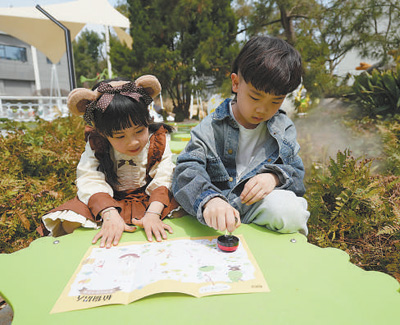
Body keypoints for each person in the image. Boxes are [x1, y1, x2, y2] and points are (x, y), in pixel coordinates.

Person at [172, 36, 310, 236]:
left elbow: (296, 173)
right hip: (216, 210)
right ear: (236, 83)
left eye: (276, 101)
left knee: (292, 212)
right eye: (255, 97)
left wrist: (274, 178)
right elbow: (186, 169)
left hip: (254, 206)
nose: (263, 109)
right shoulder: (211, 126)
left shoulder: (283, 127)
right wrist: (210, 200)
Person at [41, 75, 179, 248]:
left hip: (148, 199)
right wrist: (108, 213)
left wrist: (153, 213)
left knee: (180, 214)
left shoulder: (158, 140)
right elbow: (89, 178)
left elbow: (165, 176)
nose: (133, 142)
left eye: (139, 130)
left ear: (147, 121)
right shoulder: (97, 144)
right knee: (69, 224)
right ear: (103, 133)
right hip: (109, 200)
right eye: (120, 136)